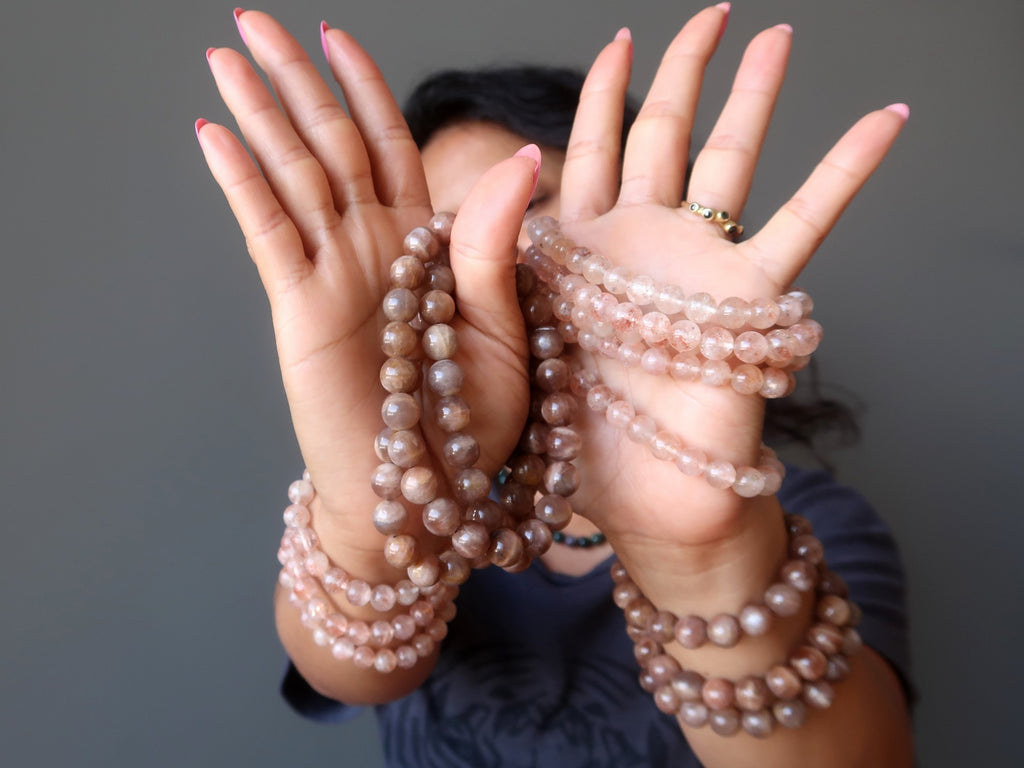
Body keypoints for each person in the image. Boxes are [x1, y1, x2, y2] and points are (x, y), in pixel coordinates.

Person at [197, 5, 913, 766]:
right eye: (446, 236)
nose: (489, 251)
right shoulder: (436, 500)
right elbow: (343, 672)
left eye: (530, 201)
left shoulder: (814, 524)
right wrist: (374, 514)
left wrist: (702, 557)